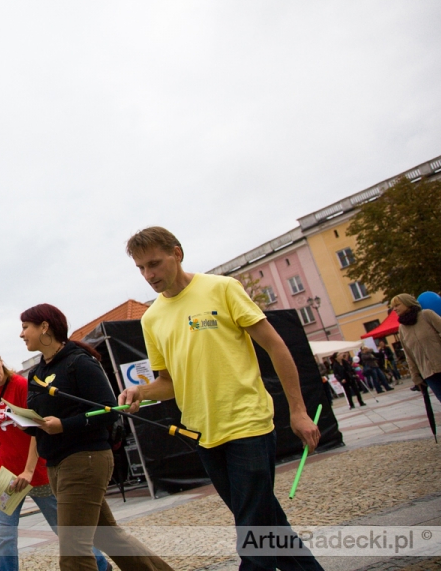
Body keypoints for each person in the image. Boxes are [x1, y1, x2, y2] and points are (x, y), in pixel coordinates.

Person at [120, 226, 322, 571]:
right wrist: (142, 390)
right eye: (141, 268)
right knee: (264, 520)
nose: (148, 275)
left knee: (252, 532)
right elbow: (169, 382)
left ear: (177, 253)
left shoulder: (222, 288)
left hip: (247, 423)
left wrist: (299, 411)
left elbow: (275, 346)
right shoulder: (151, 318)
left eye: (154, 263)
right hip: (201, 432)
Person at [22, 305, 172, 571]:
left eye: (26, 327)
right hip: (57, 464)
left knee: (73, 552)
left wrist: (64, 425)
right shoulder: (36, 374)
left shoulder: (79, 362)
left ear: (44, 327)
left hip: (84, 460)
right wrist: (24, 422)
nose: (22, 334)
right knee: (107, 536)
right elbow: (42, 419)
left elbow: (108, 411)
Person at [0, 345, 112, 571]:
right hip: (5, 474)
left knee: (62, 528)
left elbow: (37, 429)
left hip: (35, 471)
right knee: (4, 533)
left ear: (1, 360)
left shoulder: (21, 386)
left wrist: (28, 470)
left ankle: (101, 565)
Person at [392, 293, 441, 408]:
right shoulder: (402, 328)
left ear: (408, 303)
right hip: (428, 373)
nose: (394, 309)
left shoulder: (427, 315)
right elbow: (409, 354)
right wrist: (415, 376)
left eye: (397, 305)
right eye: (393, 306)